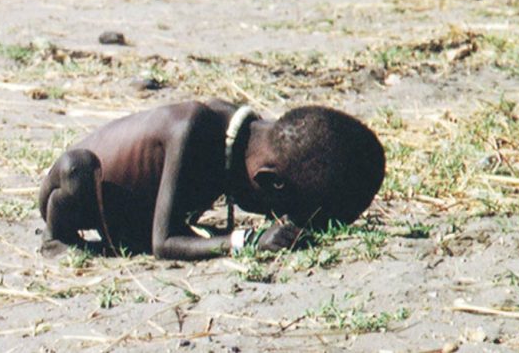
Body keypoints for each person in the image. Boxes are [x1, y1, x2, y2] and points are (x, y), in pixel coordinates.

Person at [38, 100, 385, 260]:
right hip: (77, 192)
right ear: (269, 182)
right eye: (279, 211)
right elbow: (164, 243)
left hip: (131, 212)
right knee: (76, 171)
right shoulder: (193, 131)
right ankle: (56, 240)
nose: (274, 218)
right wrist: (246, 241)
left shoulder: (248, 137)